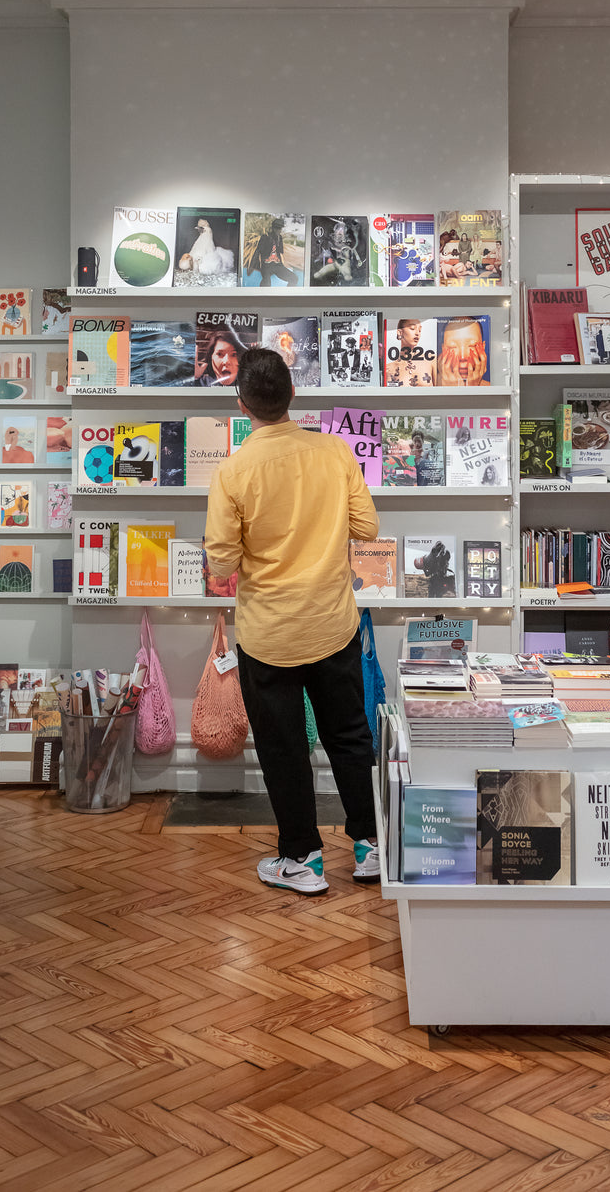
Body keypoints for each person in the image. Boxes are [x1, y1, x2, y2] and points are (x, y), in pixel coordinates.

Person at [204, 346, 382, 895]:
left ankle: (302, 858)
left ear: (242, 404)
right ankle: (371, 845)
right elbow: (368, 528)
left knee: (283, 748)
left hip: (270, 634)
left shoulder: (233, 470)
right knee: (350, 737)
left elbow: (222, 560)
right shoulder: (334, 452)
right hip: (332, 623)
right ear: (293, 395)